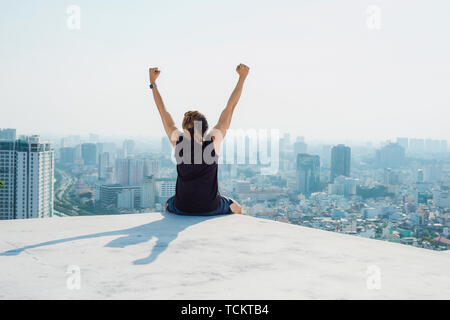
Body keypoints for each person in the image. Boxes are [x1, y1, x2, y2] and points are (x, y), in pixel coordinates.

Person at [148, 63, 250, 216]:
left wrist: (153, 83)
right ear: (206, 128)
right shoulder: (213, 141)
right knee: (237, 207)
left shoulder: (178, 142)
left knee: (167, 204)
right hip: (210, 207)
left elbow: (163, 112)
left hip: (182, 207)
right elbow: (230, 108)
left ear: (184, 130)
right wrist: (242, 77)